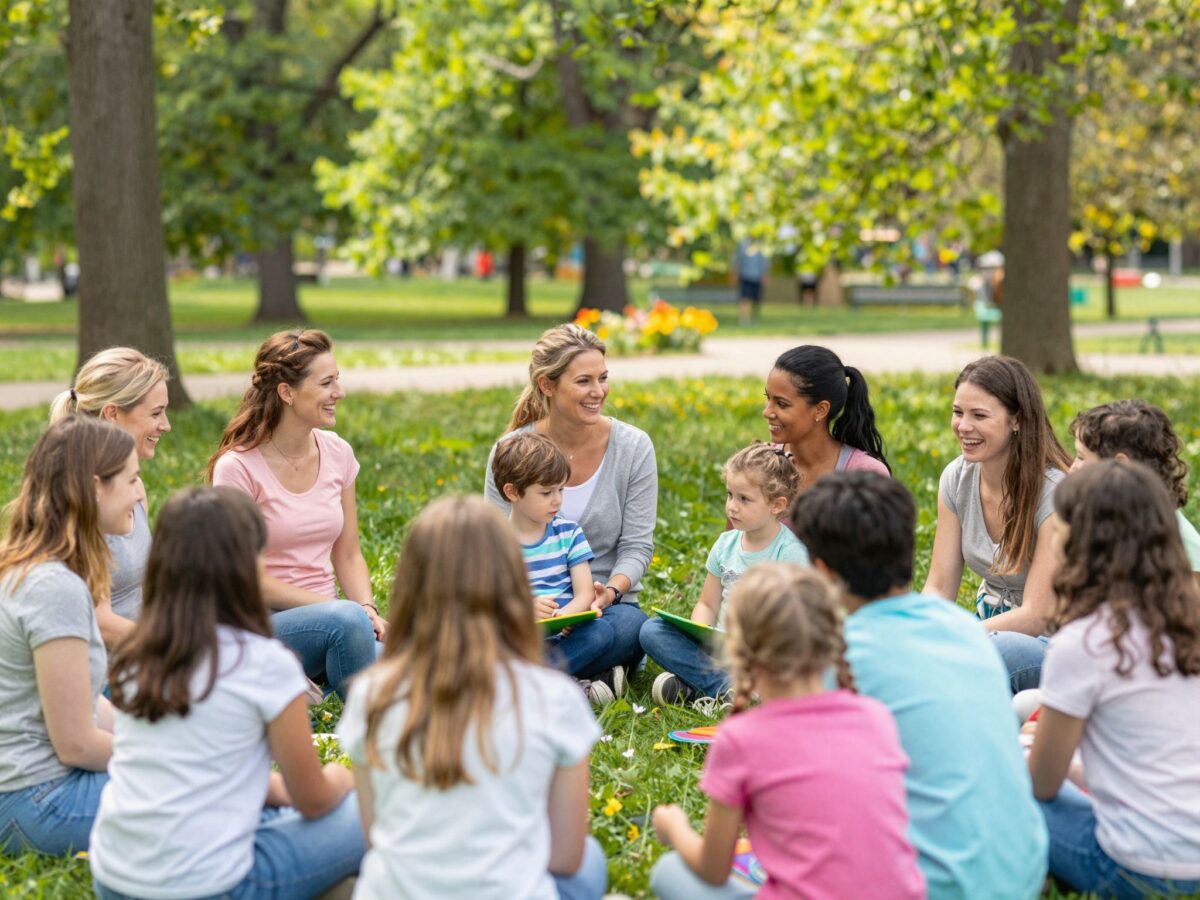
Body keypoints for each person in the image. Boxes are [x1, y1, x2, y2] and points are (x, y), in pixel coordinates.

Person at [89, 487, 364, 899]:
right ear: (247, 566)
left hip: (114, 879)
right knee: (373, 812)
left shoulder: (134, 656)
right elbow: (314, 801)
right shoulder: (265, 663)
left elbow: (198, 767)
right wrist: (342, 779)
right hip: (213, 887)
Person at [792, 471, 1048, 899]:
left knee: (679, 875)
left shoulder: (836, 659)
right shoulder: (970, 631)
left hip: (926, 885)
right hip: (1020, 874)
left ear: (821, 569)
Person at [337, 495, 607, 899]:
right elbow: (565, 859)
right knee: (589, 860)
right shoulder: (554, 697)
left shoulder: (372, 693)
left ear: (411, 586)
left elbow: (375, 835)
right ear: (513, 583)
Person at [649, 564, 925, 900]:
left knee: (669, 872)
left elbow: (713, 867)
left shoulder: (740, 739)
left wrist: (675, 828)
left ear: (739, 653)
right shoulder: (876, 717)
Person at [1029, 460, 1200, 898]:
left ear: (1085, 542)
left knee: (1002, 775)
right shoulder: (1188, 621)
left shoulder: (1083, 642)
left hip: (1134, 869)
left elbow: (1042, 783)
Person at [209, 329, 381, 700]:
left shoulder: (337, 453)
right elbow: (245, 581)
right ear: (287, 392)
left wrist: (367, 608)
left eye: (338, 380)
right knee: (350, 625)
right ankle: (353, 728)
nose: (340, 393)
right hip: (260, 628)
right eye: (327, 383)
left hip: (337, 622)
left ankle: (317, 689)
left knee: (418, 656)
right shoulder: (237, 468)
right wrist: (345, 611)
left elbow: (348, 553)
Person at [485, 324, 654, 689]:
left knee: (631, 627)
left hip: (602, 611)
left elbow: (637, 546)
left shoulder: (634, 447)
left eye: (603, 378)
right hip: (521, 611)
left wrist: (609, 593)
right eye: (584, 382)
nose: (599, 392)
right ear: (548, 385)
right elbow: (493, 549)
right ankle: (580, 677)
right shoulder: (511, 451)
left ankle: (519, 679)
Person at [0, 417, 140, 855]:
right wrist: (166, 760)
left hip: (40, 786)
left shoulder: (42, 570)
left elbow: (85, 702)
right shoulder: (51, 586)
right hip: (36, 798)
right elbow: (77, 744)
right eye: (133, 480)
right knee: (212, 797)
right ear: (95, 487)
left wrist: (153, 739)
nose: (140, 493)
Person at [923, 355, 1070, 693]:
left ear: (1016, 420)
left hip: (1055, 641)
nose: (963, 426)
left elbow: (1036, 615)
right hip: (987, 628)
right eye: (958, 412)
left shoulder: (1055, 493)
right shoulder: (956, 478)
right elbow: (939, 587)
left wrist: (955, 639)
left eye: (979, 415)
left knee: (975, 666)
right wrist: (921, 631)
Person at [641, 443, 807, 707]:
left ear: (776, 505)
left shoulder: (790, 553)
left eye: (744, 499)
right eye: (730, 495)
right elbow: (707, 603)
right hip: (721, 648)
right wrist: (701, 632)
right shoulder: (725, 544)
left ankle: (702, 687)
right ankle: (729, 688)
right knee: (651, 630)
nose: (732, 506)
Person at [50, 347, 171, 645]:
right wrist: (174, 647)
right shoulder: (81, 497)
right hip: (106, 667)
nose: (166, 425)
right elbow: (99, 622)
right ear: (112, 414)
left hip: (143, 655)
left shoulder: (135, 488)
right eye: (156, 413)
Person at [491, 431, 617, 701]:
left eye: (561, 489)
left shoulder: (568, 533)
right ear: (512, 492)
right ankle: (563, 681)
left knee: (602, 632)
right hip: (516, 636)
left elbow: (584, 593)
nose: (558, 500)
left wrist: (565, 618)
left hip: (563, 637)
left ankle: (527, 682)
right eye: (546, 493)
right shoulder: (495, 539)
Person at [1068, 399, 1200, 570]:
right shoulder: (1106, 522)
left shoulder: (1179, 542)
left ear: (1120, 464)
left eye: (1081, 457)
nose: (1071, 470)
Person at [763, 345, 889, 496]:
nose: (767, 412)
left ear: (821, 410)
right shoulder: (760, 463)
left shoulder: (866, 475)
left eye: (781, 404)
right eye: (768, 398)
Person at [736, 239, 769, 325]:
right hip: (745, 276)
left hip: (757, 277)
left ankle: (754, 318)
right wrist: (735, 273)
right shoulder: (742, 244)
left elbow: (764, 262)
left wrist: (765, 275)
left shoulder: (761, 244)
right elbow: (738, 260)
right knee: (744, 298)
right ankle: (744, 318)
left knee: (756, 299)